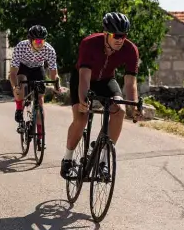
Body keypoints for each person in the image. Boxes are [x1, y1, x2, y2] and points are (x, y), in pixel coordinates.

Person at [60, 12, 141, 180]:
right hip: (83, 78)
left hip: (106, 81)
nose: (120, 39)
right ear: (106, 33)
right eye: (116, 35)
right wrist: (83, 101)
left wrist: (133, 106)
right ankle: (67, 158)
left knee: (120, 110)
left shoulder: (131, 50)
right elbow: (84, 76)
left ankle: (103, 160)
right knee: (81, 118)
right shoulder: (89, 44)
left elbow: (130, 82)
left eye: (123, 36)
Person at [8, 25, 60, 147]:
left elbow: (53, 73)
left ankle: (40, 138)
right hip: (23, 67)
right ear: (30, 40)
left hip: (37, 68)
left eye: (42, 41)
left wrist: (57, 84)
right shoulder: (21, 47)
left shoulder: (49, 50)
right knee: (20, 82)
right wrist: (15, 87)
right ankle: (19, 109)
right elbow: (13, 73)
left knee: (40, 101)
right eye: (37, 41)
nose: (39, 44)